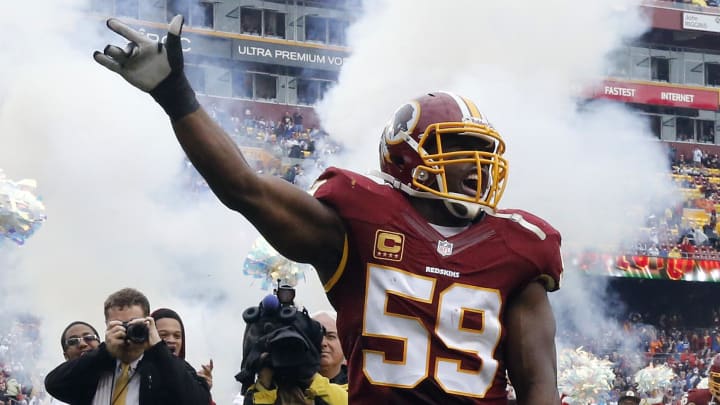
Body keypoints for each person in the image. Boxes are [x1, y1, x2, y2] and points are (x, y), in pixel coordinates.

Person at [94, 15, 563, 404]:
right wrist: (176, 96)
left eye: (480, 150)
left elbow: (538, 382)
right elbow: (244, 189)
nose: (474, 165)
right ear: (405, 156)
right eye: (456, 147)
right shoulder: (359, 220)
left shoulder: (520, 246)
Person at [44, 288, 211, 405]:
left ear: (148, 322)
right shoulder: (96, 366)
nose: (126, 330)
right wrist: (105, 352)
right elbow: (53, 384)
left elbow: (198, 401)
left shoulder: (162, 365)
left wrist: (157, 348)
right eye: (118, 324)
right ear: (107, 325)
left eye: (133, 323)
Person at [150, 308, 214, 391]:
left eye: (177, 336)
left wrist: (203, 389)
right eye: (163, 335)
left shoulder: (190, 375)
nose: (171, 340)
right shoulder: (138, 371)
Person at [311, 311, 347, 387]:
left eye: (331, 336)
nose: (322, 343)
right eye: (316, 336)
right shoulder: (291, 388)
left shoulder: (358, 386)